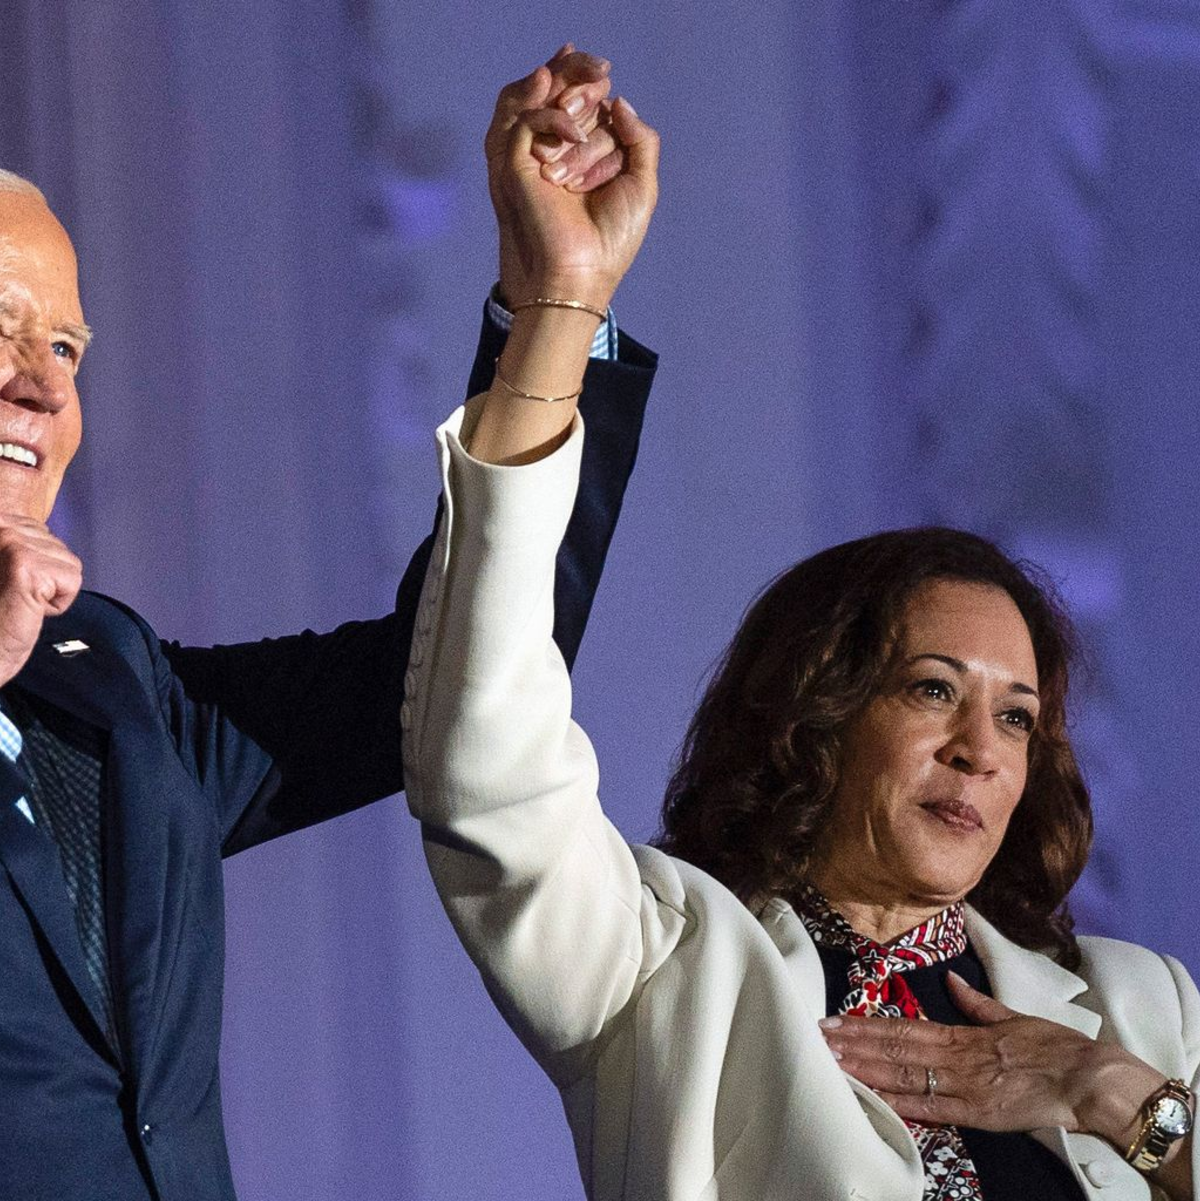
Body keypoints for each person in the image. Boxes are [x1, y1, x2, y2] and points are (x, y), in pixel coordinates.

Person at [401, 81, 1200, 1201]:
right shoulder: (670, 970)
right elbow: (486, 769)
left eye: (1017, 716)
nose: (982, 749)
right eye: (933, 691)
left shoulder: (1136, 1009)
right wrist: (563, 305)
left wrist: (1118, 1096)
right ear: (820, 716)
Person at [0, 48, 657, 1201]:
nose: (43, 388)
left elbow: (450, 675)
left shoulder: (106, 675)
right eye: (2, 332)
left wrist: (558, 314)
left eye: (64, 348)